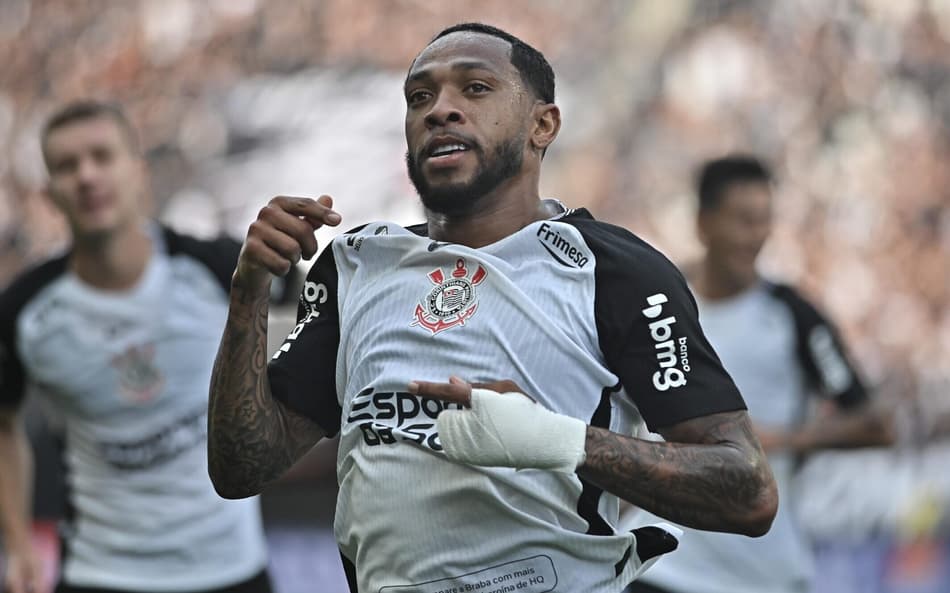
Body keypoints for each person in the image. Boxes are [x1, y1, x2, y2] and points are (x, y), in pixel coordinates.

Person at [208, 23, 778, 593]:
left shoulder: (616, 271)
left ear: (543, 124)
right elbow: (241, 468)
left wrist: (554, 440)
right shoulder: (359, 263)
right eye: (419, 97)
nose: (440, 111)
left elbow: (748, 492)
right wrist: (248, 295)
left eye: (475, 89)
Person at [0, 101, 271, 593]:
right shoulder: (24, 312)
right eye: (66, 166)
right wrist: (17, 542)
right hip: (102, 575)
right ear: (47, 194)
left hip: (232, 571)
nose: (86, 176)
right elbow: (3, 424)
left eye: (102, 156)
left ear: (138, 172)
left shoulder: (220, 269)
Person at [624, 155, 894, 593]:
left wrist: (780, 441)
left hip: (762, 570)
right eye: (744, 220)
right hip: (664, 565)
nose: (757, 236)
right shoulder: (658, 308)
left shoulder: (793, 316)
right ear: (703, 223)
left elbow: (877, 425)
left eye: (764, 220)